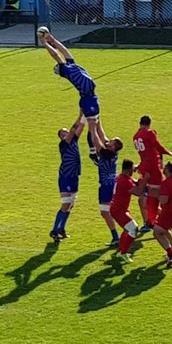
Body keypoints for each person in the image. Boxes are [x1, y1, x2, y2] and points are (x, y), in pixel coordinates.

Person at [38, 27, 108, 152]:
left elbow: (64, 51)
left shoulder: (71, 65)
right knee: (93, 127)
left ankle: (103, 148)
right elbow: (56, 55)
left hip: (91, 96)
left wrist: (53, 40)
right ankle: (98, 152)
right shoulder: (66, 71)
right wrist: (45, 44)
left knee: (97, 125)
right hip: (87, 97)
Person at [132, 115, 172, 232]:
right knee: (154, 198)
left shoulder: (135, 137)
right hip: (153, 170)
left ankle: (152, 222)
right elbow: (157, 147)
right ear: (149, 124)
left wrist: (139, 166)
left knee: (148, 199)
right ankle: (160, 221)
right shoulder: (149, 134)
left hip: (145, 169)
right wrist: (167, 152)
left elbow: (144, 155)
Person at [51, 115, 86, 243]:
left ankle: (61, 229)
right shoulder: (63, 144)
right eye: (62, 133)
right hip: (65, 176)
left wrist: (86, 117)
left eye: (65, 131)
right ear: (61, 137)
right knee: (65, 204)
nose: (66, 133)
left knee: (70, 205)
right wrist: (80, 114)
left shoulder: (74, 141)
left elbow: (80, 127)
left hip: (74, 176)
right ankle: (54, 230)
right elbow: (74, 129)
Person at [109, 158, 143, 263]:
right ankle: (123, 253)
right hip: (119, 210)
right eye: (132, 169)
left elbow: (136, 183)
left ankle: (121, 250)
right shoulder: (125, 181)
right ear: (129, 169)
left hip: (118, 208)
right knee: (134, 229)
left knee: (128, 229)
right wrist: (145, 180)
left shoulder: (122, 177)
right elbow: (138, 192)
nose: (133, 171)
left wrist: (142, 179)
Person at [94, 138, 125, 248]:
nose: (108, 141)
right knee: (110, 211)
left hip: (106, 186)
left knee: (105, 212)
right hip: (111, 184)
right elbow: (103, 137)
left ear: (113, 146)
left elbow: (96, 141)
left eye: (111, 141)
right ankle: (119, 235)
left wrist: (92, 126)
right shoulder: (112, 152)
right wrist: (98, 123)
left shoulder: (107, 153)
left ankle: (119, 236)